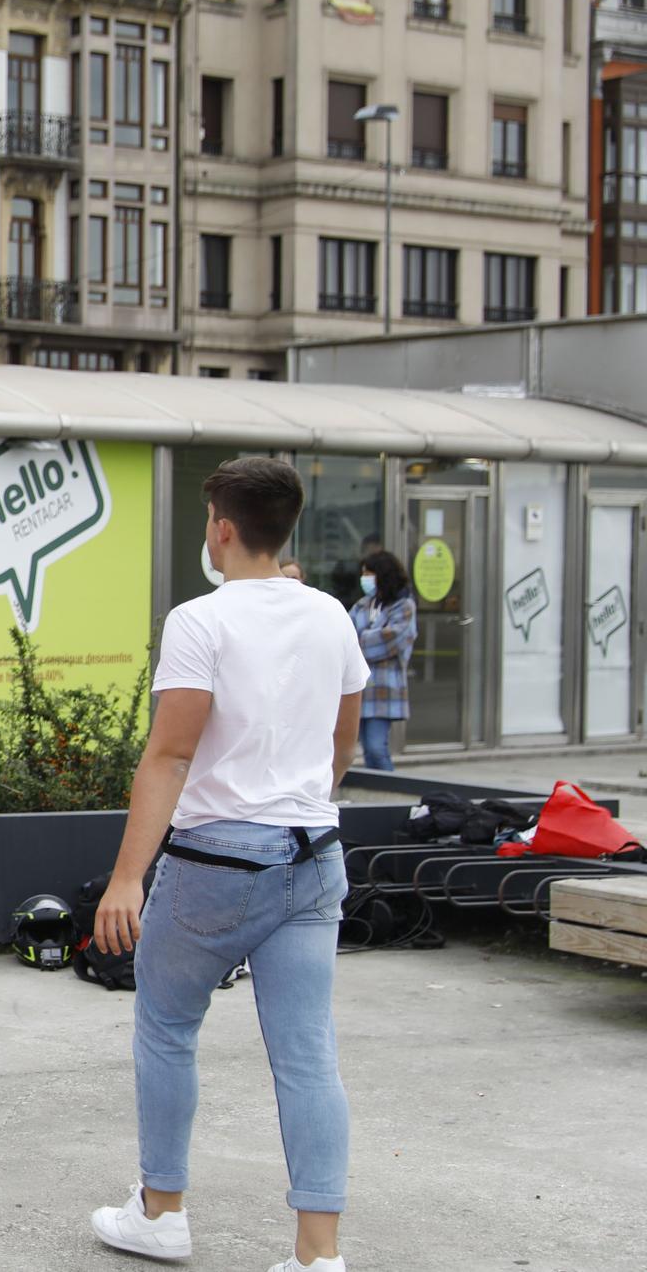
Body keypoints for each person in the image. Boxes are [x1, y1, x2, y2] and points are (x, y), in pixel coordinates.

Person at [89, 457, 368, 1272]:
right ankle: (319, 1257)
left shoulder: (200, 620)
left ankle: (162, 1213)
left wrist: (125, 877)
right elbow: (341, 743)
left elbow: (170, 755)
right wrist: (306, 796)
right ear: (286, 525)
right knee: (308, 1053)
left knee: (167, 1026)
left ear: (221, 527)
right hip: (314, 856)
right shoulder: (331, 617)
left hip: (217, 860)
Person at [349, 549, 417, 771]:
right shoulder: (363, 604)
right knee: (364, 750)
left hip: (384, 690)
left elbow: (391, 640)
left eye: (369, 573)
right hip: (360, 688)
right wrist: (364, 637)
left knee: (376, 748)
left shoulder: (404, 605)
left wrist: (359, 639)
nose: (365, 579)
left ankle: (390, 788)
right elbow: (345, 635)